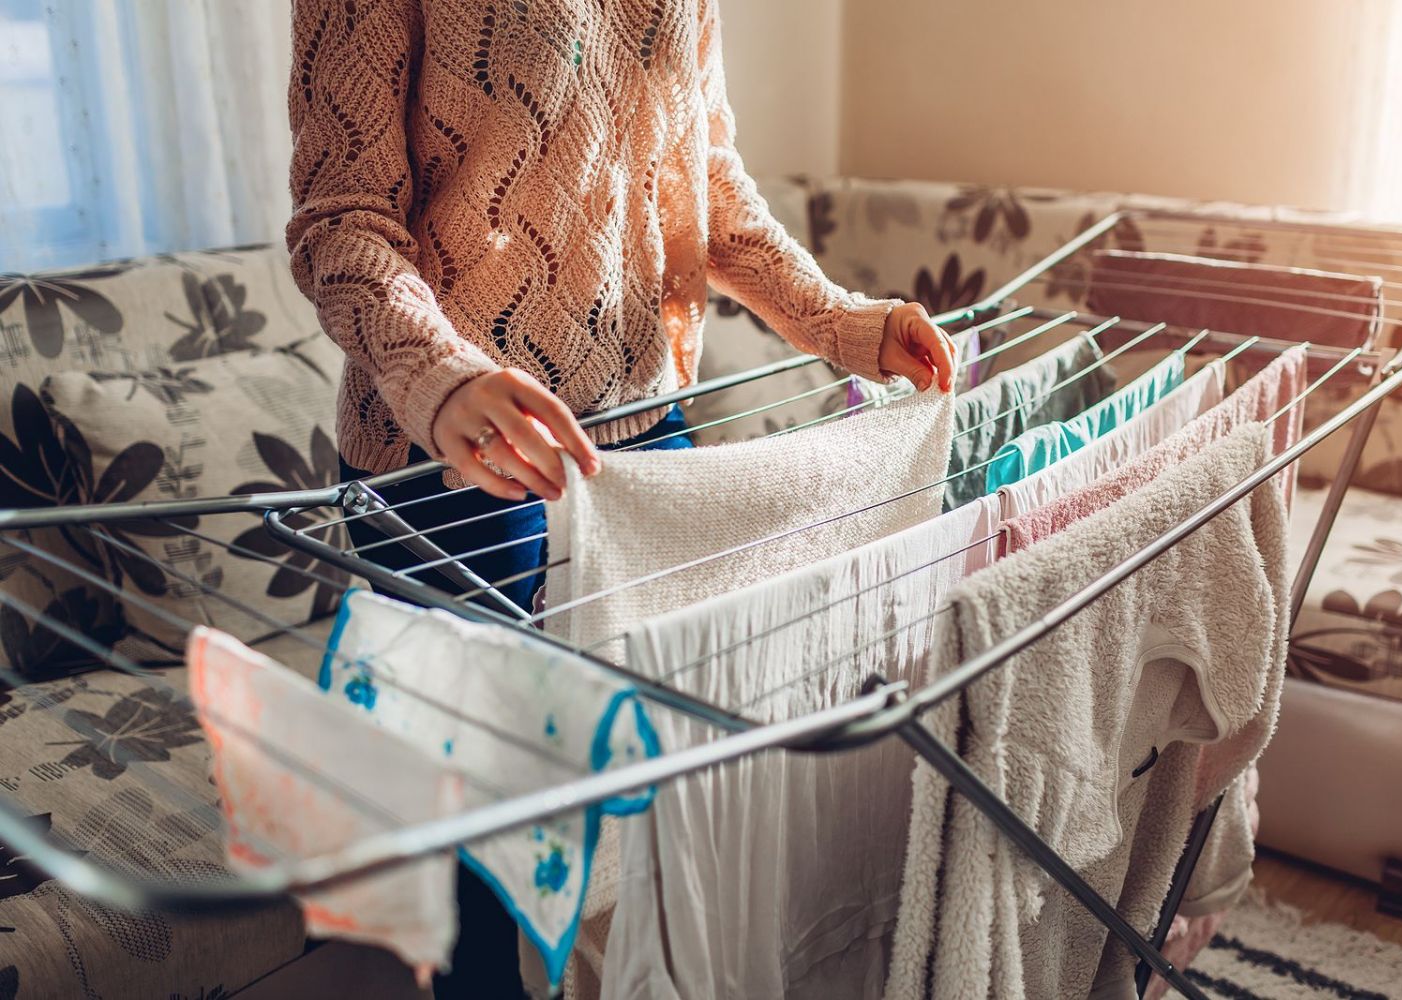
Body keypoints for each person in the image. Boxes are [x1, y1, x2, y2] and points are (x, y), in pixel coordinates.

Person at [286, 0, 957, 993]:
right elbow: (341, 219)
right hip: (457, 463)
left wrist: (842, 321)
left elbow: (707, 184)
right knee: (494, 870)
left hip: (647, 443)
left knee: (661, 812)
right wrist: (440, 376)